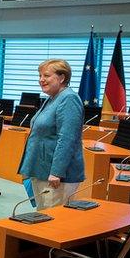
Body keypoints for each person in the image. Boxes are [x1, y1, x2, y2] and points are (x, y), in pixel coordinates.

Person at [17, 58, 85, 209]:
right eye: (40, 76)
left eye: (46, 76)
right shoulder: (53, 98)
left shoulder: (69, 99)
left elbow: (67, 139)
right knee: (42, 215)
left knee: (52, 221)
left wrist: (57, 172)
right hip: (41, 169)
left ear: (62, 78)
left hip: (56, 176)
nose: (41, 80)